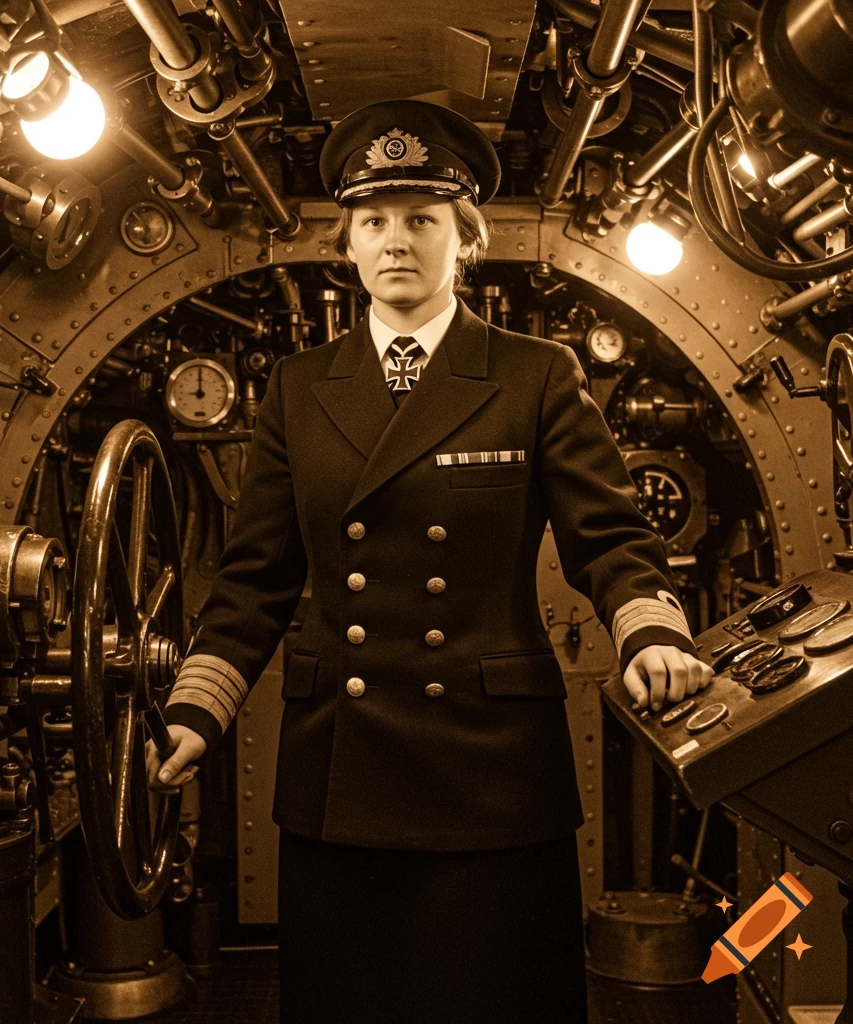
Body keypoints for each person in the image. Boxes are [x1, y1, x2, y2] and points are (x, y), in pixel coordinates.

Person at [147, 99, 713, 1023]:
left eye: (422, 219)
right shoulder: (298, 389)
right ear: (349, 245)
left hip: (489, 774)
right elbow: (255, 578)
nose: (396, 240)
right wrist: (197, 713)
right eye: (374, 220)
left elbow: (610, 538)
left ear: (467, 238)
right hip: (343, 767)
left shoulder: (534, 373)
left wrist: (648, 632)